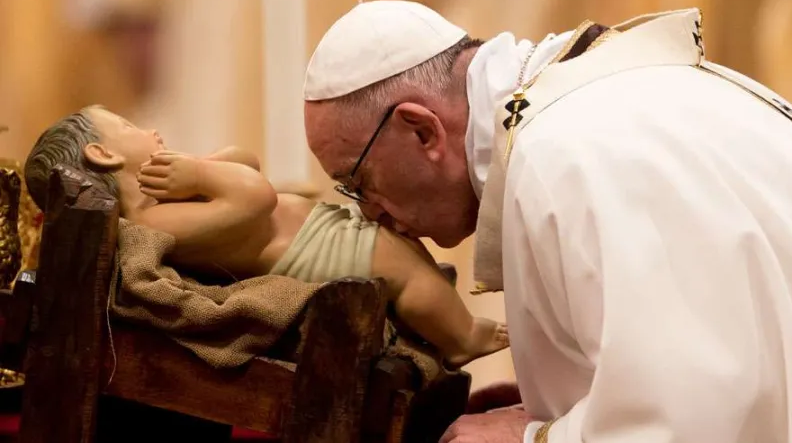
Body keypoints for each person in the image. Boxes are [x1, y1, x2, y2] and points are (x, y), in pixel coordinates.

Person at [302, 0, 792, 443]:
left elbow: (687, 416)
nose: (370, 212)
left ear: (421, 130)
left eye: (358, 181)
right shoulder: (616, 102)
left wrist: (533, 439)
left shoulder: (562, 155)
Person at [23, 105, 509, 369]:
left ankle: (455, 326)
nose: (148, 127)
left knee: (409, 256)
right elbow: (255, 198)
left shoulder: (170, 197)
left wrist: (203, 168)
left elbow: (246, 165)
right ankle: (461, 337)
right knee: (405, 274)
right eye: (128, 126)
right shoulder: (154, 225)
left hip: (321, 232)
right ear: (103, 154)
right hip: (314, 256)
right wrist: (199, 174)